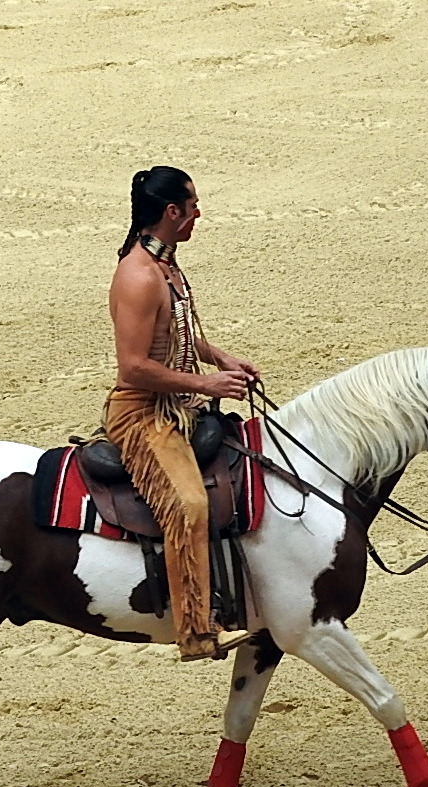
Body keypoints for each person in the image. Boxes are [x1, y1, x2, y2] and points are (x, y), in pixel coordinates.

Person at [105, 165, 258, 662]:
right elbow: (132, 367)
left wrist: (221, 358)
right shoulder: (139, 275)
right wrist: (206, 384)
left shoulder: (166, 265)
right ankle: (194, 630)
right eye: (192, 206)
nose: (198, 214)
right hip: (143, 414)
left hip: (178, 404)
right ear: (172, 211)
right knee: (188, 504)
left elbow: (177, 335)